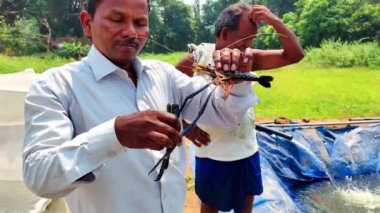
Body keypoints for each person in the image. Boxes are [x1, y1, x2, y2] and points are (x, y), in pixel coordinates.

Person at [21, 0, 258, 213]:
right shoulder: (55, 86)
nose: (131, 32)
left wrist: (234, 81)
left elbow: (222, 115)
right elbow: (40, 175)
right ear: (87, 23)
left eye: (140, 22)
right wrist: (115, 134)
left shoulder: (163, 75)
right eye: (116, 19)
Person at [176, 3, 304, 213]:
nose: (249, 48)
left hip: (246, 152)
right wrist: (187, 129)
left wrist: (275, 22)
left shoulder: (249, 59)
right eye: (247, 41)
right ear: (225, 33)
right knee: (209, 207)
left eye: (252, 42)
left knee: (245, 208)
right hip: (211, 155)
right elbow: (165, 96)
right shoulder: (197, 58)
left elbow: (294, 55)